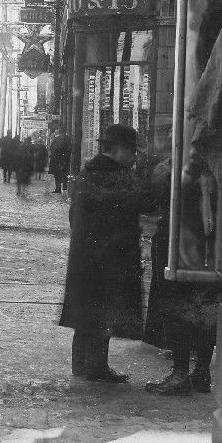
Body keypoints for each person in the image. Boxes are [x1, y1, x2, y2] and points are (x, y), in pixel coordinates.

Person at [58, 123, 153, 382]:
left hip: (85, 258)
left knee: (85, 316)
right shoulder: (114, 175)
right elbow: (135, 204)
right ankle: (96, 369)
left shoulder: (88, 172)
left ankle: (82, 367)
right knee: (102, 315)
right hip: (107, 260)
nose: (135, 157)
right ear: (119, 150)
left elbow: (73, 216)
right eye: (132, 151)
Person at [144, 148, 220, 396]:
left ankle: (180, 374)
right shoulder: (217, 172)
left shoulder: (178, 172)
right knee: (205, 309)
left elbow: (159, 187)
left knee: (176, 307)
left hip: (178, 245)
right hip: (210, 249)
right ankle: (201, 373)